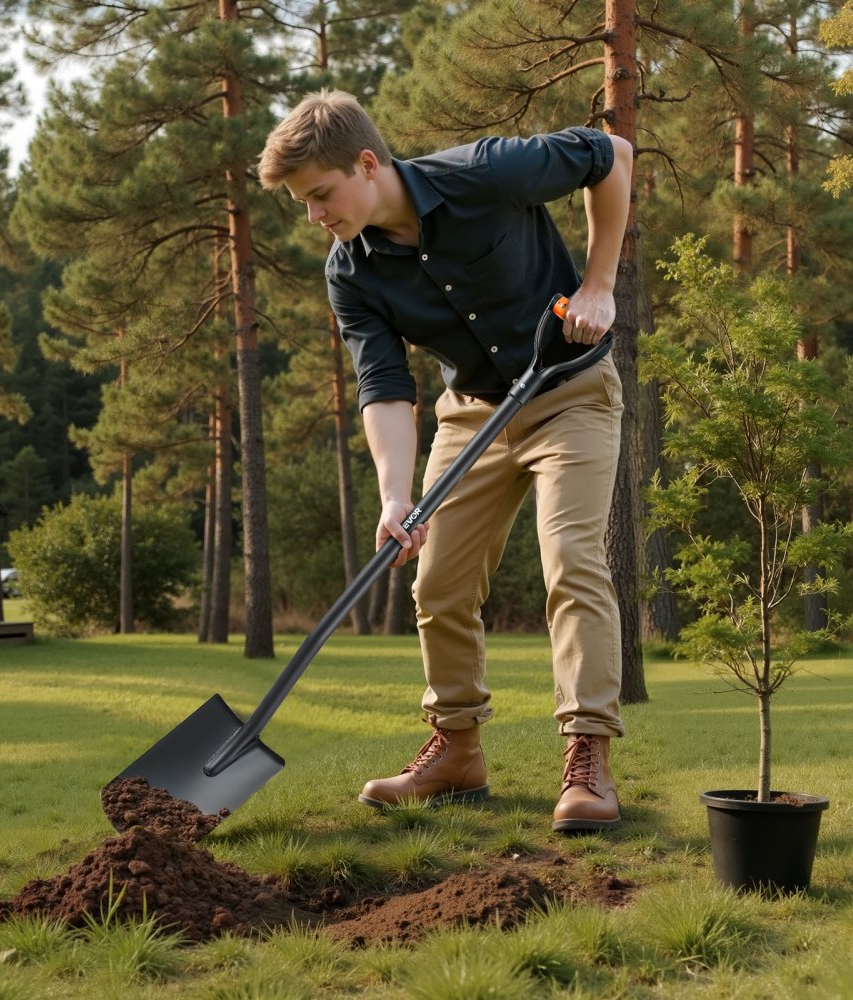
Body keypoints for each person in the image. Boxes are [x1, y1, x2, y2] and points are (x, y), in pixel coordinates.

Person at [259, 90, 632, 832]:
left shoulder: (485, 173)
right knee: (439, 580)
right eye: (302, 203)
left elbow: (613, 156)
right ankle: (457, 751)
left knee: (570, 559)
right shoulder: (350, 274)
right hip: (474, 414)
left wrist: (597, 284)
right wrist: (396, 497)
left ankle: (588, 757)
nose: (315, 216)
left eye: (321, 195)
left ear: (367, 164)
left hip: (572, 394)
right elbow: (385, 385)